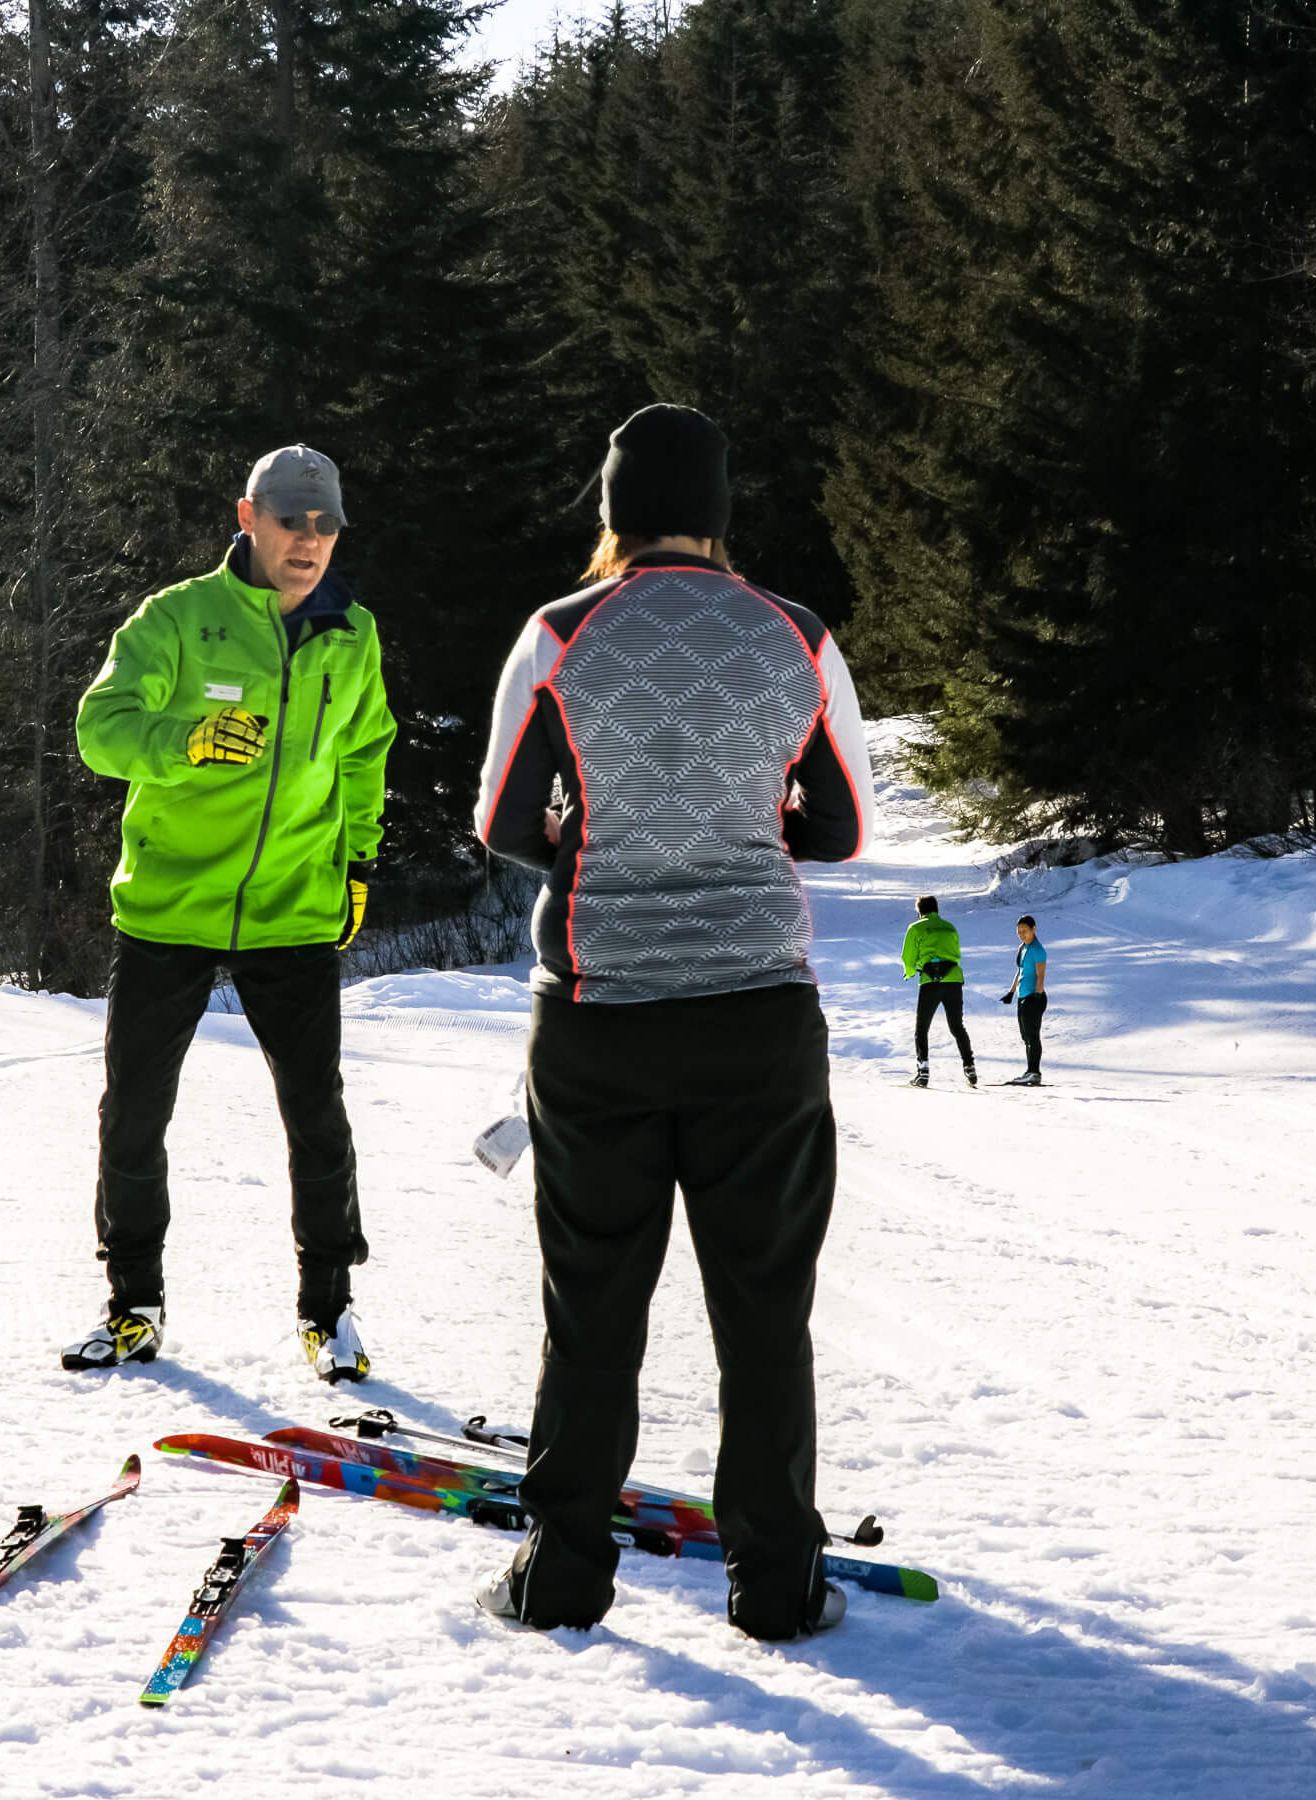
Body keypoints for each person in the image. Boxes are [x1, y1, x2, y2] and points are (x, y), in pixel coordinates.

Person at [472, 403, 876, 1640]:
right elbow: (843, 824)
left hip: (601, 1016)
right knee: (764, 1310)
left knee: (591, 1305)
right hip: (759, 1020)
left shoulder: (557, 634)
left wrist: (584, 837)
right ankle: (779, 1583)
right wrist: (759, 827)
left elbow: (500, 817)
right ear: (720, 518)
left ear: (612, 513)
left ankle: (566, 1574)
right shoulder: (796, 636)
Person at [69, 445, 397, 1385]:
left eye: (326, 524)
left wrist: (359, 858)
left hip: (293, 908)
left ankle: (328, 1309)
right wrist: (185, 741)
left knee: (316, 1115)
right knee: (135, 1112)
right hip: (170, 906)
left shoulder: (353, 633)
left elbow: (367, 748)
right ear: (248, 518)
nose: (310, 541)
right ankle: (132, 1303)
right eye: (293, 521)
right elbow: (102, 729)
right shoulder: (177, 619)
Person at [899, 895, 972, 1088]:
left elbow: (908, 958)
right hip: (953, 980)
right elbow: (957, 953)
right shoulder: (950, 927)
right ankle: (969, 1066)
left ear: (920, 911)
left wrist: (910, 972)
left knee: (921, 1029)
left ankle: (923, 1072)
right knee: (957, 1026)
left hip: (930, 982)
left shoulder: (915, 928)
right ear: (936, 909)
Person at [998, 914, 1049, 1086]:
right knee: (1026, 1036)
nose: (1022, 935)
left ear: (1033, 929)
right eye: (1019, 932)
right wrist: (1011, 992)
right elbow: (1020, 971)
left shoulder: (1038, 950)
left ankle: (1034, 1072)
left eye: (1025, 931)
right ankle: (1030, 1071)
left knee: (1032, 1036)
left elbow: (1041, 976)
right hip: (1022, 997)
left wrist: (1037, 995)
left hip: (1034, 997)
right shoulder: (1023, 948)